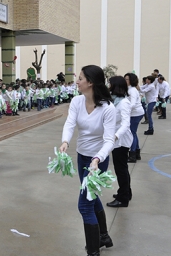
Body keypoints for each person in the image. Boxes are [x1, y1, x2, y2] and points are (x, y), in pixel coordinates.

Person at [60, 65, 115, 256]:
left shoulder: (108, 108)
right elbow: (70, 123)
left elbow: (109, 140)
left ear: (90, 82)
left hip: (97, 162)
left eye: (80, 78)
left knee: (84, 204)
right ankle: (104, 236)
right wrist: (65, 141)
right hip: (82, 157)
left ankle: (93, 251)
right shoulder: (76, 101)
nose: (77, 81)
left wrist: (98, 158)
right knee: (92, 198)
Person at [107, 76, 133, 208]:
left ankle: (123, 199)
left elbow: (125, 124)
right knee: (122, 168)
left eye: (110, 84)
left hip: (121, 141)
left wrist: (115, 136)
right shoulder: (115, 100)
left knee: (120, 169)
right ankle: (126, 192)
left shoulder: (124, 103)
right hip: (117, 139)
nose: (108, 86)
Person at [124, 73, 144, 162]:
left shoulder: (132, 90)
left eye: (126, 79)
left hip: (135, 114)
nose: (125, 81)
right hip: (133, 113)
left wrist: (125, 110)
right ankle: (137, 153)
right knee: (133, 133)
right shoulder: (129, 89)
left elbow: (132, 104)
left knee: (132, 133)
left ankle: (132, 155)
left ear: (131, 80)